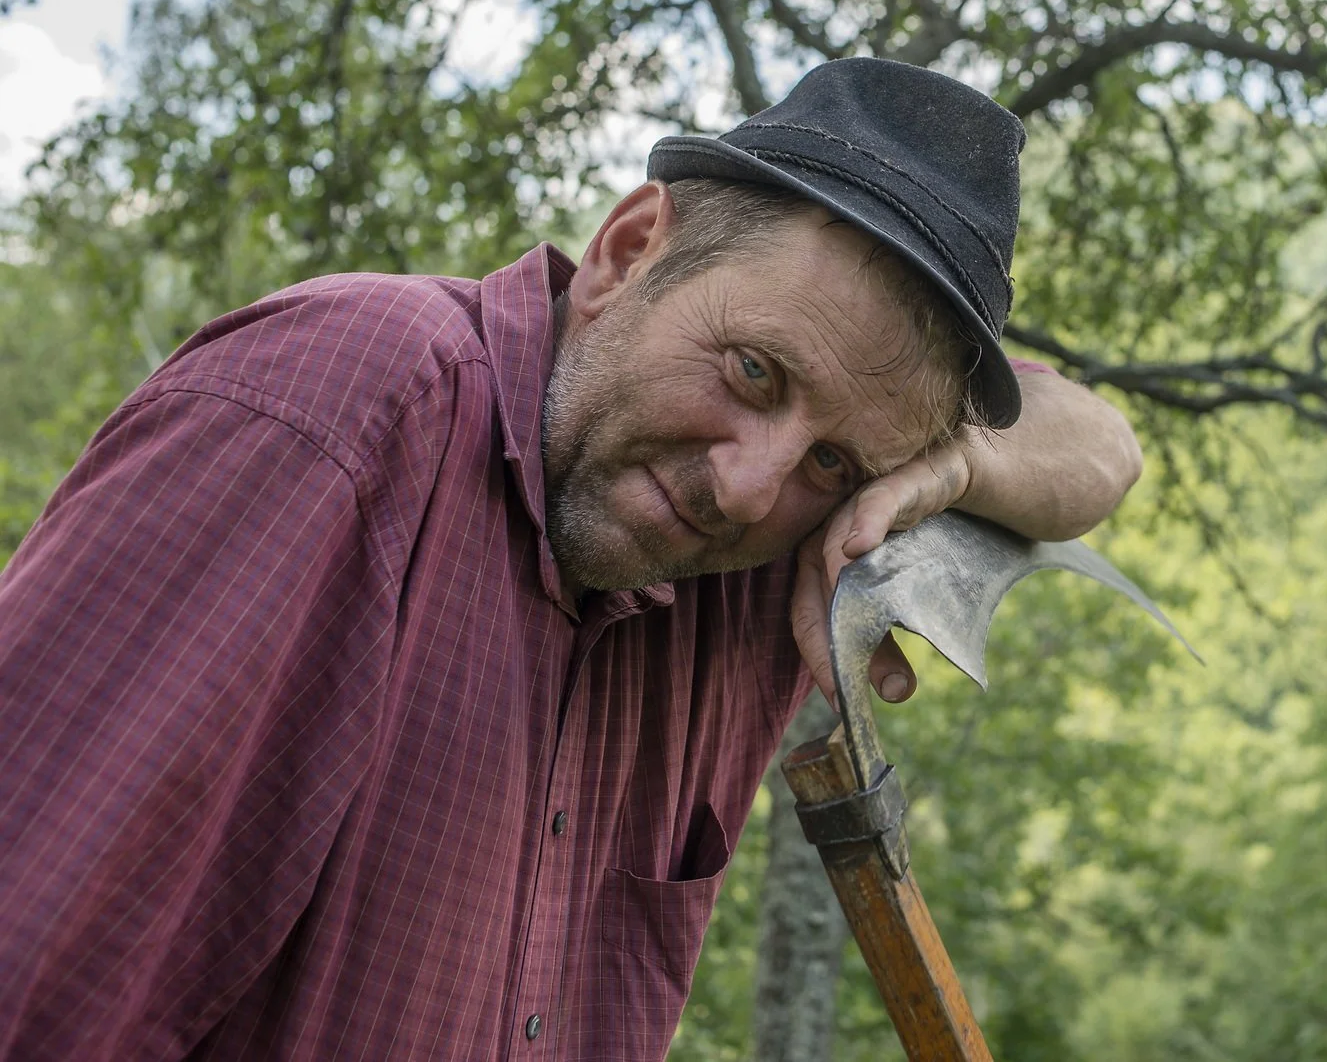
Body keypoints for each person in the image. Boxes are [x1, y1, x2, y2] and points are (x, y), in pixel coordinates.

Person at [0, 59, 1142, 1060]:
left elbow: (1102, 448)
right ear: (627, 252)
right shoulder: (339, 410)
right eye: (752, 372)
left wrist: (934, 474)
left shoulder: (758, 559)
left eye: (833, 460)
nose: (748, 485)